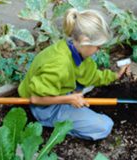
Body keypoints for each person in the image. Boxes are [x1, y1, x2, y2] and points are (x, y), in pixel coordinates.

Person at [18, 8, 130, 141]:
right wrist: (70, 99)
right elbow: (36, 99)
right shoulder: (59, 66)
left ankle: (69, 104)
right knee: (104, 126)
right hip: (44, 107)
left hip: (57, 91)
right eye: (98, 46)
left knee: (85, 81)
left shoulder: (73, 49)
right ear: (85, 40)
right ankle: (56, 125)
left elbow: (90, 75)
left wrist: (115, 76)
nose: (99, 50)